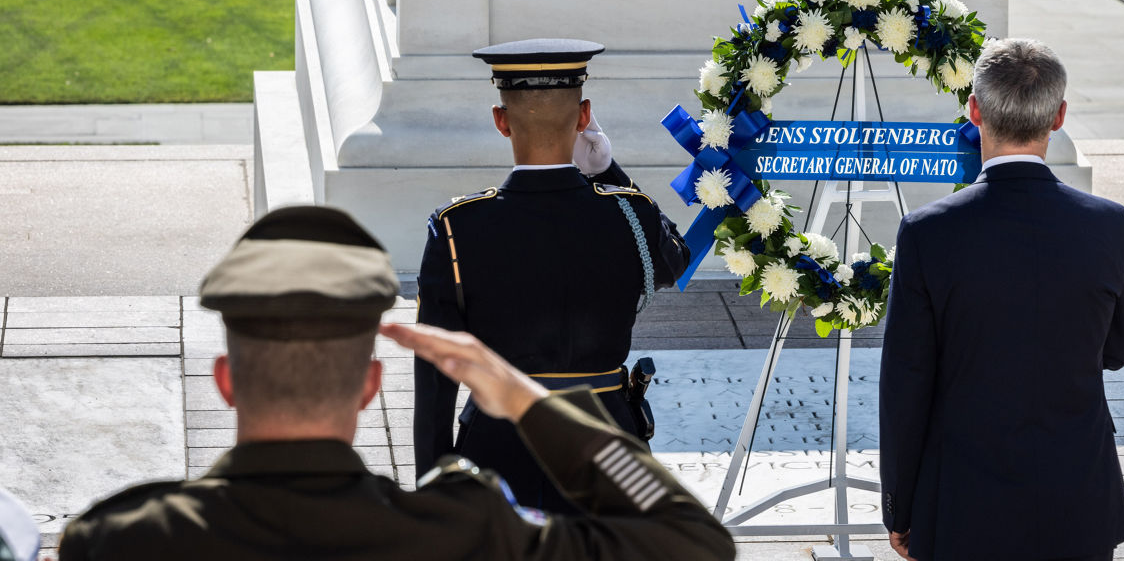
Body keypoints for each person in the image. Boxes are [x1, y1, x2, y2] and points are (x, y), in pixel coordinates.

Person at [57, 206, 733, 561]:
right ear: (369, 386)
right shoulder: (464, 530)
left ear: (228, 381)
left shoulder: (121, 541)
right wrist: (527, 399)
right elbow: (691, 542)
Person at [878, 39, 1124, 561]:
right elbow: (1117, 349)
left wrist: (900, 507)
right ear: (1059, 116)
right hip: (1078, 493)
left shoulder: (928, 232)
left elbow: (906, 385)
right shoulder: (1108, 224)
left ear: (974, 110)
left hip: (962, 500)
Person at [414, 38, 691, 512]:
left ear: (501, 122)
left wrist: (435, 487)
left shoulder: (457, 228)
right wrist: (608, 171)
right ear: (584, 118)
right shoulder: (630, 214)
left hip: (495, 449)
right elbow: (675, 261)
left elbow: (437, 376)